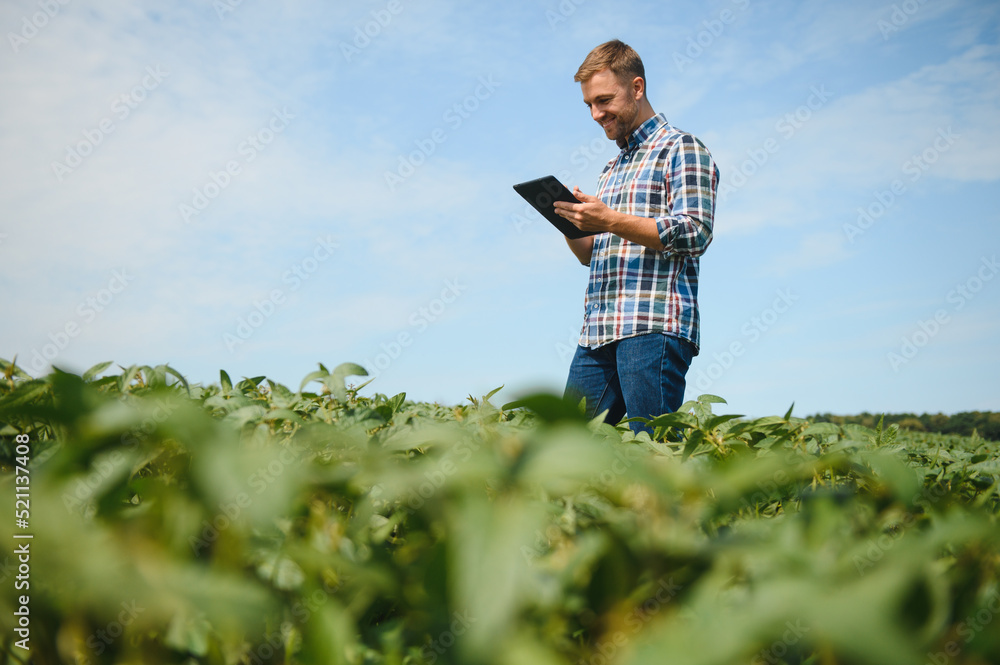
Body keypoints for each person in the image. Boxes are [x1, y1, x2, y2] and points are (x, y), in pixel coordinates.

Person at [552, 39, 719, 435]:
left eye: (604, 100)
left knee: (655, 450)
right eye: (589, 105)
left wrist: (610, 219)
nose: (596, 114)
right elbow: (590, 255)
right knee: (564, 446)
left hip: (652, 326)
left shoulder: (681, 148)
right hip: (598, 331)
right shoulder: (611, 168)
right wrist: (571, 222)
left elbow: (695, 231)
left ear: (637, 87)